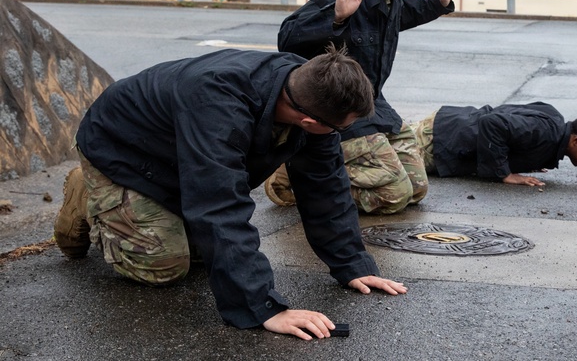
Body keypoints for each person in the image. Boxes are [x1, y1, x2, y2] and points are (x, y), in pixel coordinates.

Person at [53, 46, 408, 340]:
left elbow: (325, 184)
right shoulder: (218, 102)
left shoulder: (309, 85)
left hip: (177, 159)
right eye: (338, 129)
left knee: (207, 257)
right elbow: (218, 203)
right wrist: (262, 306)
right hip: (121, 151)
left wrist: (351, 263)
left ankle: (142, 210)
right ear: (310, 122)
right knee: (164, 265)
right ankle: (88, 193)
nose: (340, 134)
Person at [270, 0, 466, 214]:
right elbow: (287, 38)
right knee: (394, 195)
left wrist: (437, 3)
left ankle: (307, 169)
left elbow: (406, 13)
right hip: (337, 111)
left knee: (416, 187)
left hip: (372, 105)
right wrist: (334, 16)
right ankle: (299, 175)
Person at [411, 103, 577, 187]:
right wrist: (505, 173)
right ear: (576, 141)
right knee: (385, 159)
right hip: (438, 140)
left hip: (448, 130)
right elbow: (493, 123)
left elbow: (513, 125)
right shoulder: (545, 131)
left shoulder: (553, 126)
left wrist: (526, 159)